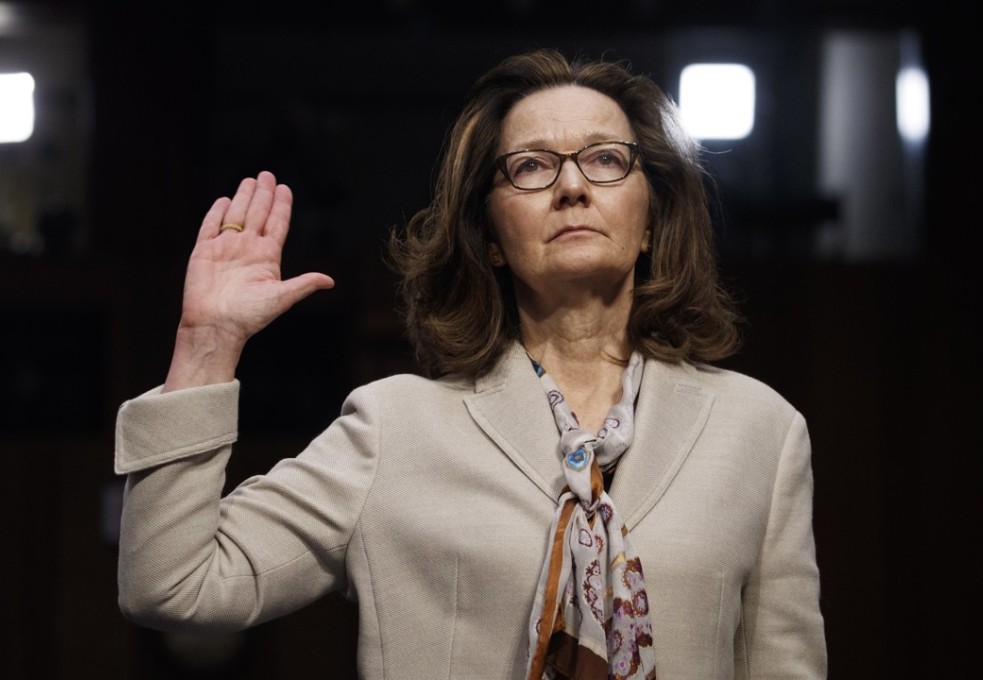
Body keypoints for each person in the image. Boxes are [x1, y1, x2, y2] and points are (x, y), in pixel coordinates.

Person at [114, 48, 827, 679]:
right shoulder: (393, 429)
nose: (572, 187)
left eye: (606, 159)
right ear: (490, 236)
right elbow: (173, 586)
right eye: (532, 166)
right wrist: (206, 344)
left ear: (651, 221)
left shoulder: (759, 433)